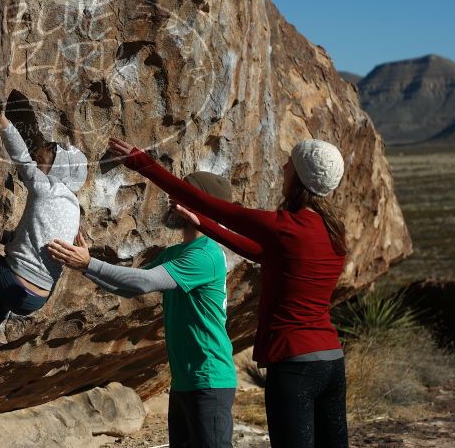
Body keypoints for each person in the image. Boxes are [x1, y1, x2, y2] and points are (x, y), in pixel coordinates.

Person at [107, 137, 349, 448]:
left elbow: (207, 202)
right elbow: (260, 253)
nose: (284, 166)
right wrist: (204, 225)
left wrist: (142, 162)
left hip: (295, 364)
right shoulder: (331, 230)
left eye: (290, 163)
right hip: (331, 361)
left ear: (300, 177)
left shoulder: (284, 227)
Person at [47, 172, 238, 448]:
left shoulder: (205, 254)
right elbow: (130, 287)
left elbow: (145, 282)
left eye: (182, 196)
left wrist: (89, 264)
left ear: (202, 205)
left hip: (209, 381)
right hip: (186, 382)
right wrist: (82, 266)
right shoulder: (179, 252)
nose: (172, 201)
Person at [0, 104, 88, 343]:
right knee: (6, 292)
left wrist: (2, 120)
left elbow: (21, 157)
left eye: (49, 150)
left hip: (11, 281)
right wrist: (1, 235)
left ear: (59, 165)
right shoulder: (74, 207)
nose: (41, 151)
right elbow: (33, 238)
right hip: (37, 299)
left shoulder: (46, 187)